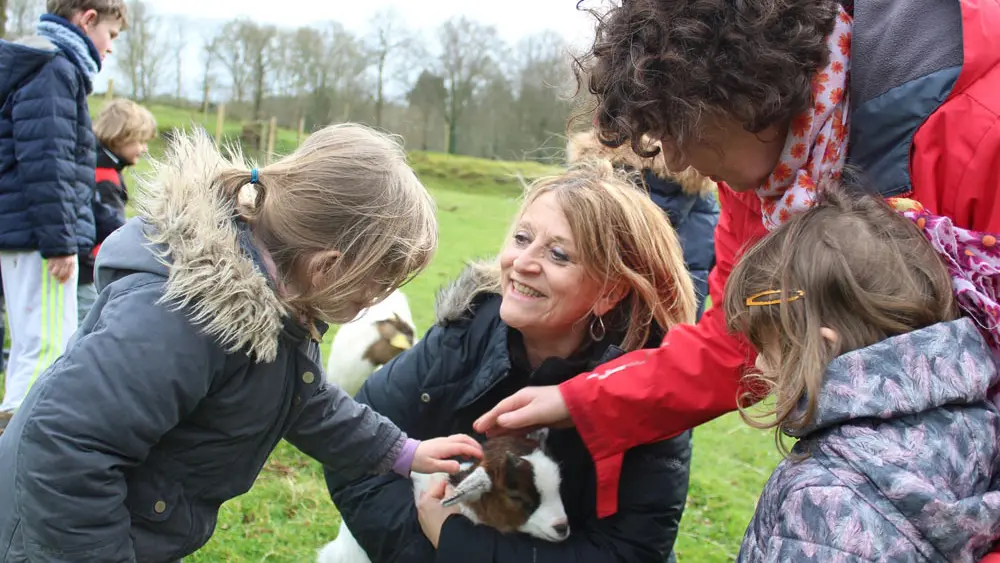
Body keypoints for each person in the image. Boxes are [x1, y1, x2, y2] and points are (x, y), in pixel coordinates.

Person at [474, 0, 1000, 523]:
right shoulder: (773, 171)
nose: (676, 161)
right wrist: (583, 399)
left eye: (678, 130)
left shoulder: (974, 125)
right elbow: (737, 337)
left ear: (743, 92)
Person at [0, 125, 483, 562]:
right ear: (329, 266)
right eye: (373, 286)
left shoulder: (280, 308)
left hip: (126, 525)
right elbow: (65, 449)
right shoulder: (179, 319)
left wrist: (402, 452)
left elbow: (308, 403)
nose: (372, 301)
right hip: (52, 536)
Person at [324, 159, 697, 563]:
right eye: (521, 238)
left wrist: (456, 543)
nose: (522, 263)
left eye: (557, 254)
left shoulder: (647, 389)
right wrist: (426, 550)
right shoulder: (463, 333)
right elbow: (357, 451)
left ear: (609, 292)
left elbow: (629, 553)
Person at [727, 185, 1000, 561]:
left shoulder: (828, 499)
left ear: (823, 347)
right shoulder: (974, 424)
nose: (760, 366)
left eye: (768, 348)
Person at [0, 0, 125, 421]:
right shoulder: (54, 68)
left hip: (21, 230)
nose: (108, 49)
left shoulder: (35, 62)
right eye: (110, 35)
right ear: (88, 19)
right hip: (40, 237)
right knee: (49, 345)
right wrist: (60, 243)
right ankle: (22, 451)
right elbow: (47, 160)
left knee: (29, 343)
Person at [567, 130, 718, 319]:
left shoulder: (583, 189)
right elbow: (719, 276)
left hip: (591, 328)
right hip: (674, 334)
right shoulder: (704, 201)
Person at [78, 97, 157, 324]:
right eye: (140, 141)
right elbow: (109, 224)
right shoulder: (104, 175)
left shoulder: (107, 168)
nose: (144, 149)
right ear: (120, 137)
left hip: (92, 263)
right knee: (88, 320)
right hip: (91, 265)